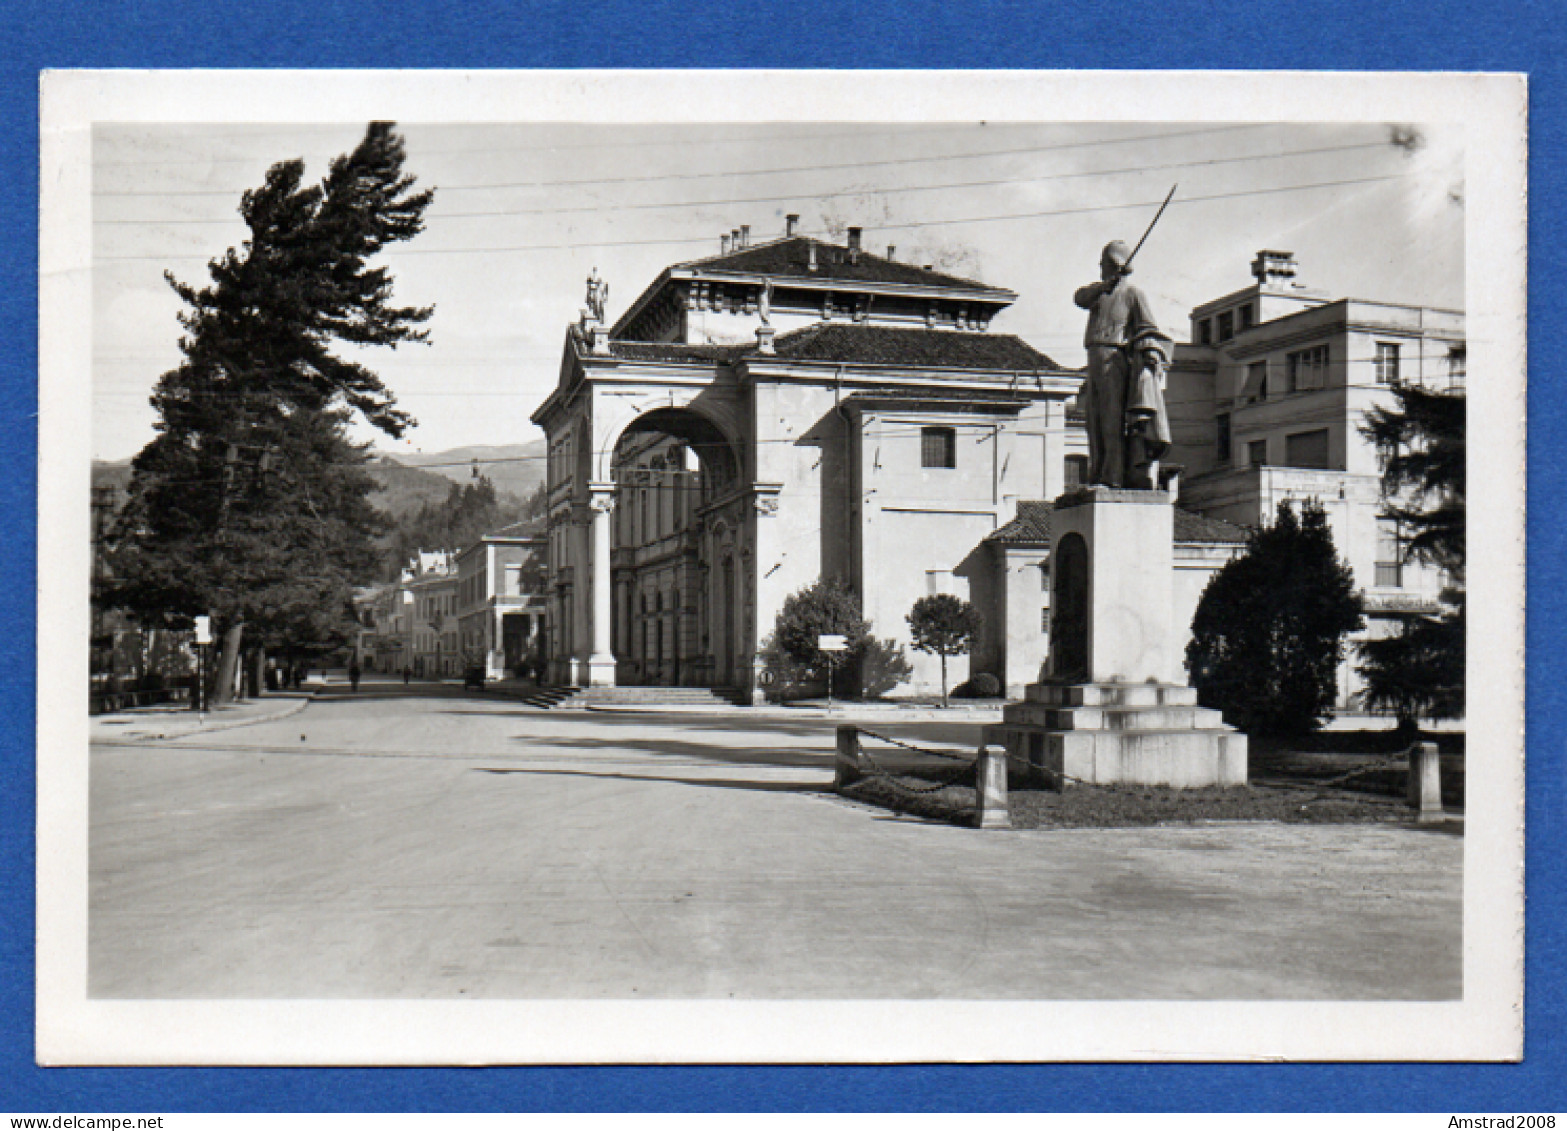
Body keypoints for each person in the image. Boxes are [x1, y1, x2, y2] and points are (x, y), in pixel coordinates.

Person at [1073, 240, 1174, 489]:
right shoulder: (1099, 293)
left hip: (1115, 359)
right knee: (1094, 422)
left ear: (1115, 265)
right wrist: (1102, 287)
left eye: (1104, 263)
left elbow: (1148, 327)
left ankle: (1113, 476)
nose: (1100, 267)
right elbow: (1079, 298)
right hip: (1094, 358)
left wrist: (1149, 351)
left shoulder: (1133, 294)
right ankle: (1098, 473)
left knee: (1110, 420)